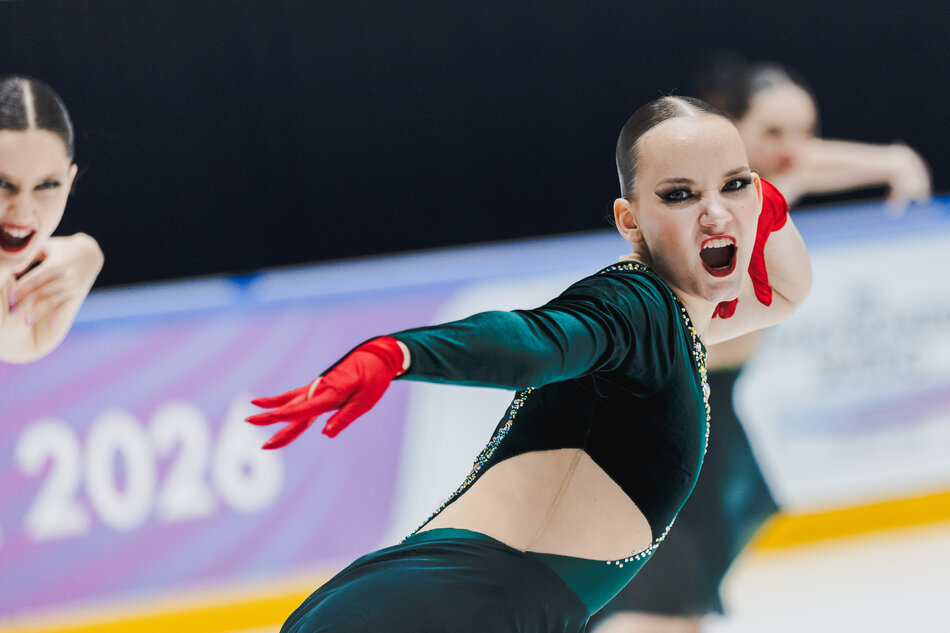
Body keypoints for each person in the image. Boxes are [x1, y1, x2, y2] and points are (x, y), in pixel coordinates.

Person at [246, 95, 812, 633]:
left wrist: (752, 194)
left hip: (454, 602)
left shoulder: (680, 323)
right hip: (442, 612)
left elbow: (786, 292)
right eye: (679, 194)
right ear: (629, 220)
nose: (715, 212)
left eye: (734, 185)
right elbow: (534, 341)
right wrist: (398, 353)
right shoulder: (635, 307)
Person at [588, 59, 932, 633]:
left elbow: (805, 165)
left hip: (708, 412)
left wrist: (893, 161)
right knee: (661, 604)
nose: (795, 149)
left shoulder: (754, 190)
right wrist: (891, 161)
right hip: (665, 417)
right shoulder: (717, 210)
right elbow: (801, 173)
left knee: (677, 600)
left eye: (806, 131)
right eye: (773, 132)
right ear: (727, 130)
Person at [0, 75, 103, 363]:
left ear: (69, 182)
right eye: (2, 183)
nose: (22, 212)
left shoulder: (30, 319)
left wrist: (88, 253)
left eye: (46, 185)